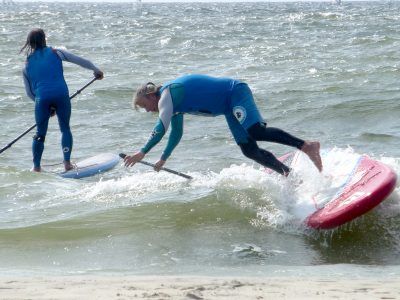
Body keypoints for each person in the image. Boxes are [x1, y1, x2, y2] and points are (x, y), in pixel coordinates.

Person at [123, 74, 322, 176]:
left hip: (235, 93)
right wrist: (163, 159)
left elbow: (161, 128)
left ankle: (307, 146)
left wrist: (142, 152)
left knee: (256, 131)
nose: (148, 110)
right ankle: (288, 175)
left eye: (145, 106)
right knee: (248, 150)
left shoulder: (167, 95)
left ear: (150, 96)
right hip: (228, 107)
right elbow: (176, 133)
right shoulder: (174, 106)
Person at [21, 28, 104, 172]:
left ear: (30, 44)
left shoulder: (26, 65)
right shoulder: (56, 52)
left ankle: (36, 167)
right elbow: (80, 61)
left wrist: (45, 107)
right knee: (65, 128)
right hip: (61, 95)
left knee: (40, 134)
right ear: (44, 39)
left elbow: (29, 93)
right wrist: (96, 70)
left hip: (41, 99)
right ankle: (67, 163)